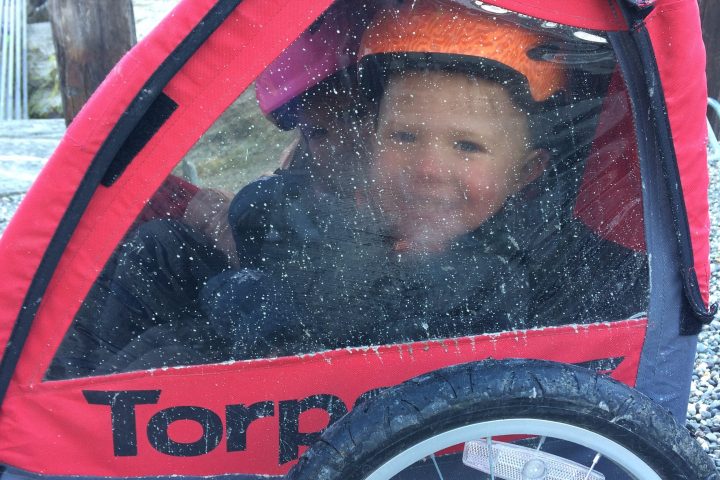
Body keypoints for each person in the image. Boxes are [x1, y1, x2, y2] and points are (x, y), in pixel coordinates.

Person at [46, 2, 377, 379]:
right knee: (155, 245)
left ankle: (85, 412)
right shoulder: (309, 161)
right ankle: (60, 384)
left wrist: (237, 253)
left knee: (165, 352)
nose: (334, 143)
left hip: (308, 340)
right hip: (267, 297)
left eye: (349, 121)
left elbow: (348, 288)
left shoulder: (404, 180)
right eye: (314, 132)